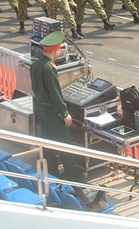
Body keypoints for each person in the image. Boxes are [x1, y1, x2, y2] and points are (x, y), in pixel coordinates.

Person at [30, 32, 85, 182]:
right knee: (65, 144)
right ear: (56, 51)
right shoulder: (49, 69)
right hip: (52, 111)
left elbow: (35, 88)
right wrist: (65, 113)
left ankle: (52, 173)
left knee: (48, 142)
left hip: (41, 107)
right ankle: (73, 177)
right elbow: (55, 93)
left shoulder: (36, 65)